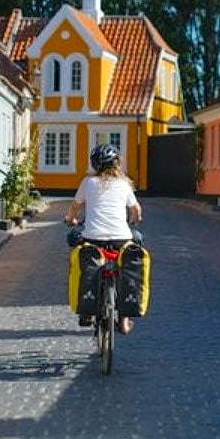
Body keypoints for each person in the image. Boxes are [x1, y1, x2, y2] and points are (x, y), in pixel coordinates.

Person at [65, 143, 142, 335]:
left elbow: (76, 206)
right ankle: (124, 320)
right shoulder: (124, 184)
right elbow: (136, 210)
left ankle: (87, 311)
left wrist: (70, 219)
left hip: (93, 238)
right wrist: (134, 220)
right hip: (121, 238)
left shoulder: (88, 183)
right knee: (127, 266)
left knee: (82, 258)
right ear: (117, 164)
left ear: (95, 165)